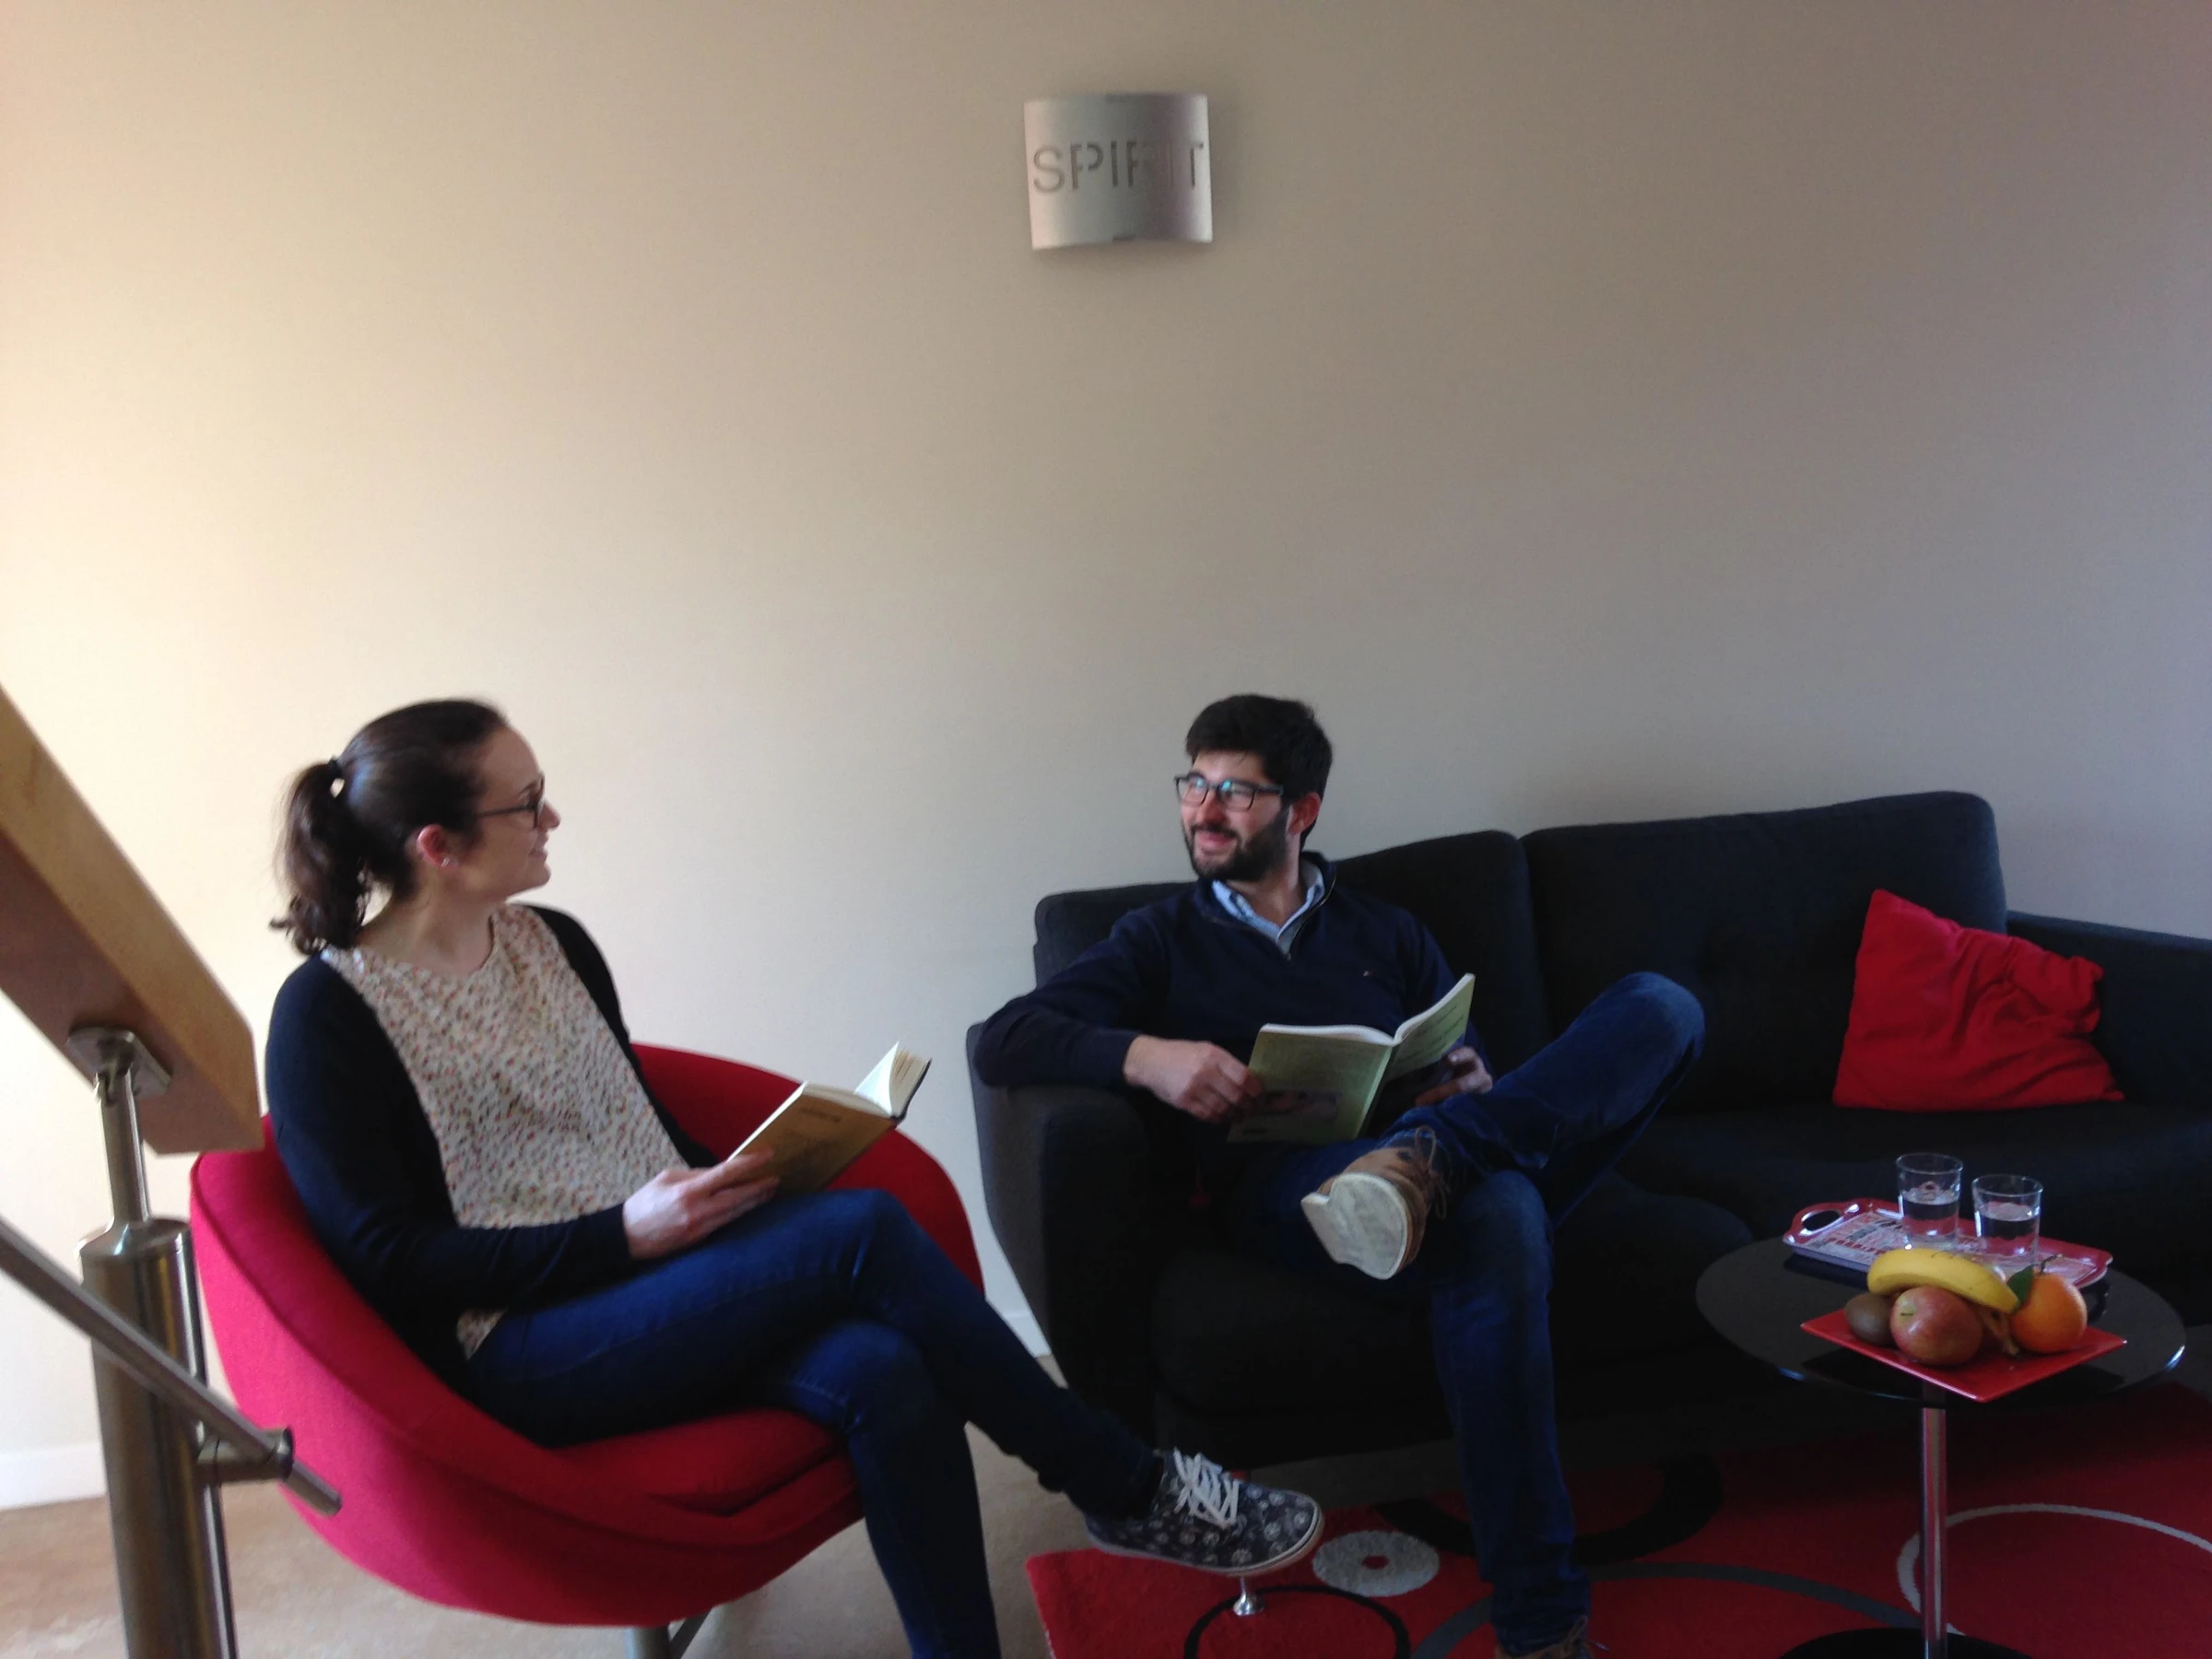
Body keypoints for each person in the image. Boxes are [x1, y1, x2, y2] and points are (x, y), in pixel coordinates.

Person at [264, 699, 1321, 1659]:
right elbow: (390, 1259)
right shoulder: (329, 1016)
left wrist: (737, 1176)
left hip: (650, 1275)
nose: (553, 819)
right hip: (516, 1342)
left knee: (883, 1369)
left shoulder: (550, 943)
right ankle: (1124, 1482)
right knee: (861, 1232)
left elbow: (619, 1120)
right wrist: (622, 1236)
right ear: (439, 846)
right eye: (526, 803)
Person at [971, 694, 1707, 1659]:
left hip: (1429, 1154)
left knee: (1664, 1007)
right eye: (1195, 783)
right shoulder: (1159, 938)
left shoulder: (1388, 932)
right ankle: (1542, 1622)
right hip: (1286, 1190)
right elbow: (1002, 1038)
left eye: (1236, 791)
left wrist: (1470, 1082)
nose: (1203, 809)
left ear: (1302, 811)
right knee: (1502, 1213)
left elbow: (1466, 1053)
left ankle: (1437, 1160)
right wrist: (1149, 1057)